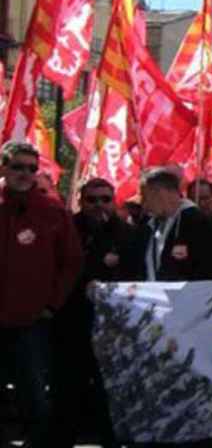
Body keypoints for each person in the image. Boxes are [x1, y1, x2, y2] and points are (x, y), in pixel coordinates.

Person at [0, 141, 83, 447]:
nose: (25, 173)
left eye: (32, 168)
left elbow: (72, 262)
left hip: (31, 322)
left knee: (35, 400)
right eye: (18, 166)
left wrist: (51, 304)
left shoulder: (51, 211)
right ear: (3, 167)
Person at [53, 178, 134, 448]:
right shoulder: (66, 228)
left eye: (105, 199)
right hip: (71, 323)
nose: (99, 205)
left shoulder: (127, 232)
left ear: (114, 201)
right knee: (67, 391)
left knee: (108, 392)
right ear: (80, 200)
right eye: (92, 199)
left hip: (113, 327)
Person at [126, 167, 212, 281]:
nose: (143, 204)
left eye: (145, 197)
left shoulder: (196, 222)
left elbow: (209, 269)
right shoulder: (148, 226)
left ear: (160, 193)